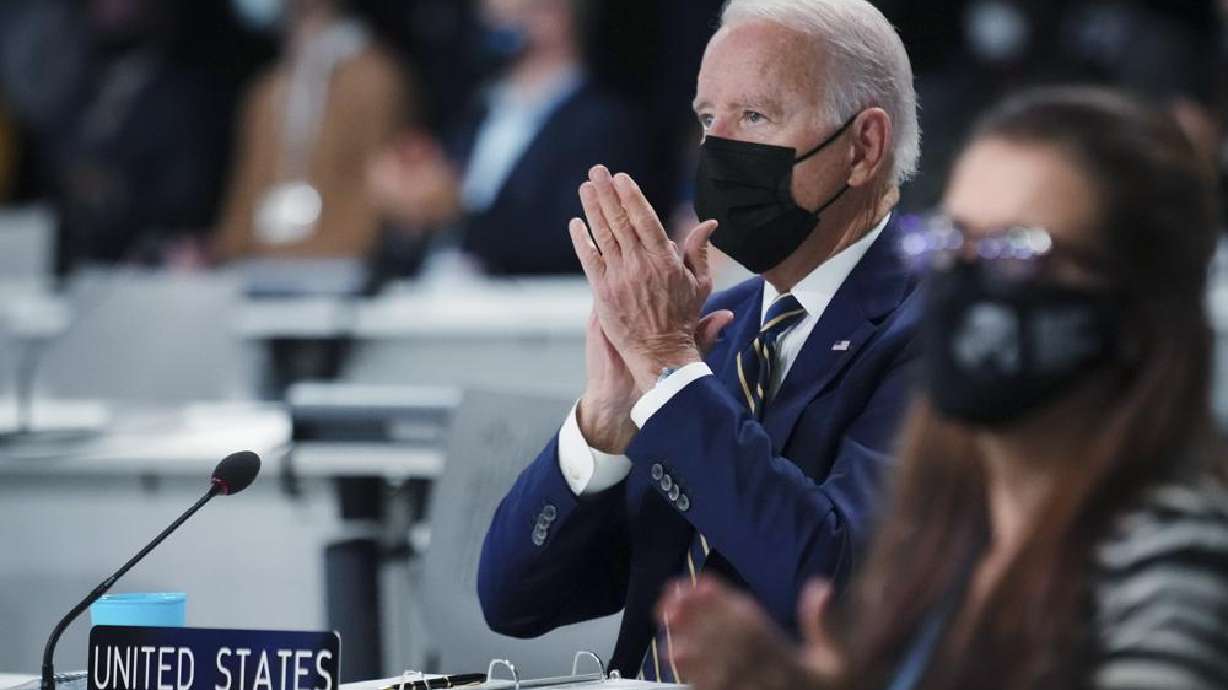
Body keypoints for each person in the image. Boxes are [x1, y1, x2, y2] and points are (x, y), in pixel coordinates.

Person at [659, 87, 1228, 690]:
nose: (965, 280)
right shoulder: (949, 528)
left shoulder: (1174, 551)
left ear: (1137, 308)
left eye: (1015, 251)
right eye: (951, 243)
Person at [478, 0, 923, 678]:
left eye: (754, 117)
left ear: (862, 148)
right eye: (707, 119)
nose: (718, 148)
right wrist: (605, 422)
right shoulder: (715, 330)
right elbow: (515, 601)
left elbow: (838, 586)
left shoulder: (933, 333)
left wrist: (667, 371)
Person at [364, 0, 647, 276]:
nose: (488, 23)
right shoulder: (477, 115)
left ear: (554, 14)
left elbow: (575, 240)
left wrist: (455, 211)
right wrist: (410, 212)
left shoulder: (602, 124)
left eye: (504, 14)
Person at [212, 0, 411, 261]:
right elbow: (244, 199)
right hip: (261, 267)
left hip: (335, 270)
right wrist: (220, 249)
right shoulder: (265, 91)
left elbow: (379, 200)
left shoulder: (375, 81)